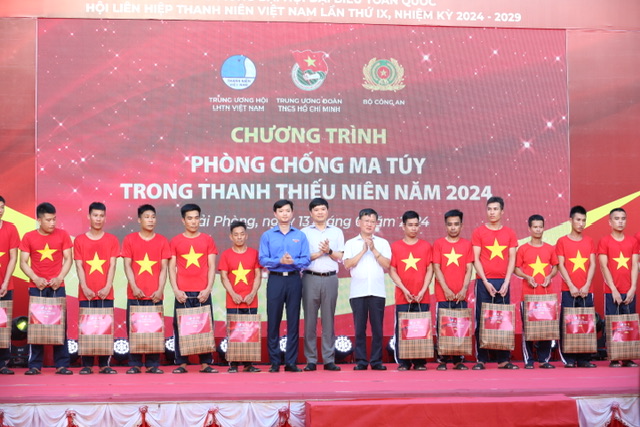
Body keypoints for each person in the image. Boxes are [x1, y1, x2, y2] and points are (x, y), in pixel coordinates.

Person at [19, 202, 73, 375]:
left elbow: (69, 259)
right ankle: (35, 365)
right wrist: (35, 278)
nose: (52, 223)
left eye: (54, 219)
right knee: (37, 325)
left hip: (58, 286)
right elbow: (22, 262)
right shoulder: (29, 237)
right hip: (37, 287)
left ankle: (62, 364)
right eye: (48, 220)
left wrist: (60, 277)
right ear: (39, 220)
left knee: (60, 325)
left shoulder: (63, 234)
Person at [259, 200, 310, 373]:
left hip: (294, 279)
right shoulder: (267, 235)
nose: (285, 214)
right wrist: (279, 261)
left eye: (287, 211)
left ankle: (291, 362)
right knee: (273, 320)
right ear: (275, 214)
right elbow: (263, 259)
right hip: (276, 279)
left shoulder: (300, 235)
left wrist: (293, 262)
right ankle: (274, 362)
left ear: (292, 213)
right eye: (281, 211)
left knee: (293, 321)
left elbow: (306, 259)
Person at [168, 203, 218, 374]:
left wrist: (208, 289)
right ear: (183, 220)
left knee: (205, 326)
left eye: (196, 218)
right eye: (190, 218)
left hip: (203, 291)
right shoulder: (176, 241)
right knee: (181, 326)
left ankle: (205, 363)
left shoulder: (207, 239)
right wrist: (176, 290)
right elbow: (171, 267)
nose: (193, 221)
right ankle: (182, 362)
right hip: (183, 292)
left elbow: (212, 266)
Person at [122, 204, 171, 374]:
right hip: (135, 293)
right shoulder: (130, 239)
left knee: (154, 329)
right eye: (147, 217)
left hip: (155, 294)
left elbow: (164, 268)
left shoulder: (162, 241)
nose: (151, 220)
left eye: (153, 217)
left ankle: (152, 364)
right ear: (139, 220)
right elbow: (127, 265)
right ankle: (134, 363)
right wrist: (134, 286)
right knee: (135, 328)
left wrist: (160, 289)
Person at [471, 196, 519, 370]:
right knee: (482, 319)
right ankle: (481, 359)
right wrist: (485, 281)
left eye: (495, 209)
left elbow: (512, 258)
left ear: (502, 211)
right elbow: (475, 258)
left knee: (503, 320)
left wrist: (507, 281)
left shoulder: (510, 233)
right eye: (489, 209)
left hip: (503, 282)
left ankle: (503, 359)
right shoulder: (478, 232)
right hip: (483, 282)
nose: (492, 212)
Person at [74, 202, 120, 374]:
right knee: (87, 328)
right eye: (95, 215)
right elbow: (79, 266)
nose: (98, 219)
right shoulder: (79, 240)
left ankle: (104, 364)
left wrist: (108, 286)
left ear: (105, 218)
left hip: (106, 292)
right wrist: (84, 287)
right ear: (89, 217)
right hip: (86, 292)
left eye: (101, 216)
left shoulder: (112, 240)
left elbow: (113, 265)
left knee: (104, 327)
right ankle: (86, 364)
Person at [344, 208, 391, 371]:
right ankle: (361, 361)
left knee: (377, 329)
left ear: (376, 224)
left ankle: (376, 361)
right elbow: (347, 264)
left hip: (377, 291)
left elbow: (387, 264)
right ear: (359, 222)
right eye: (366, 221)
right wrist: (364, 250)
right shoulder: (351, 243)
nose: (369, 224)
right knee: (360, 329)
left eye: (372, 221)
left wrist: (374, 249)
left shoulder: (383, 243)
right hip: (358, 292)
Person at [301, 198, 344, 372]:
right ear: (311, 213)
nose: (320, 212)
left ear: (327, 211)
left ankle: (328, 359)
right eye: (316, 210)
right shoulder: (304, 233)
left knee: (328, 320)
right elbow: (302, 257)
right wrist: (320, 253)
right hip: (310, 278)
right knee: (310, 321)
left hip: (330, 278)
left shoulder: (336, 232)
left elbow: (341, 256)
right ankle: (311, 359)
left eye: (323, 209)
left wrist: (329, 251)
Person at [389, 210, 432, 371]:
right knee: (403, 329)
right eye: (410, 225)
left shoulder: (426, 246)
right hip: (403, 296)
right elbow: (392, 270)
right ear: (403, 226)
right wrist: (404, 289)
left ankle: (420, 361)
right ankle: (404, 362)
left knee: (421, 328)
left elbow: (430, 269)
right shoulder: (396, 246)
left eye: (416, 225)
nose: (413, 228)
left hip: (422, 296)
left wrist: (423, 290)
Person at [514, 214, 558, 369]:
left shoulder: (550, 248)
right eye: (535, 227)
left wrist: (549, 276)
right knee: (528, 329)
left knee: (546, 328)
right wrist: (526, 277)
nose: (538, 230)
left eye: (540, 227)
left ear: (543, 228)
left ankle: (544, 359)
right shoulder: (523, 249)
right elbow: (515, 268)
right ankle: (529, 360)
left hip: (546, 295)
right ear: (529, 229)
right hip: (528, 295)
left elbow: (556, 266)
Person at [556, 205, 597, 368]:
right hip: (568, 290)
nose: (581, 223)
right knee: (568, 323)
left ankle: (584, 358)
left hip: (587, 290)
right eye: (578, 220)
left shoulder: (589, 241)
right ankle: (569, 359)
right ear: (570, 220)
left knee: (586, 323)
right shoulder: (562, 241)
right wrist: (571, 285)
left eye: (584, 220)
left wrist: (587, 285)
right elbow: (560, 265)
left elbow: (593, 264)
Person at [432, 209, 473, 371]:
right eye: (450, 224)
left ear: (461, 226)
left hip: (461, 295)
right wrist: (446, 289)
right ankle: (442, 359)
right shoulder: (438, 244)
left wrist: (464, 289)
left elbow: (469, 269)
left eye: (456, 224)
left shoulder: (467, 244)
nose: (453, 227)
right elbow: (436, 267)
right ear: (445, 226)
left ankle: (458, 360)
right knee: (443, 327)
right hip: (443, 295)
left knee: (460, 328)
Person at [219, 220, 262, 373]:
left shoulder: (254, 253)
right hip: (233, 301)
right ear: (231, 237)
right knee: (234, 332)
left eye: (242, 234)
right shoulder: (226, 254)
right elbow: (223, 277)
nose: (239, 237)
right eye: (236, 235)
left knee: (250, 332)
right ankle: (234, 364)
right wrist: (233, 294)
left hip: (251, 300)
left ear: (246, 235)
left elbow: (258, 275)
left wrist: (252, 293)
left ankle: (249, 364)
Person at [598, 208, 639, 368]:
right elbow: (603, 266)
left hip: (629, 291)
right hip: (611, 291)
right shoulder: (605, 241)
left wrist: (633, 288)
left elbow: (635, 265)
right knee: (613, 324)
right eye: (616, 218)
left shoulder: (633, 241)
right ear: (610, 222)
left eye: (623, 218)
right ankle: (614, 357)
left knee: (628, 324)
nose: (620, 221)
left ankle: (627, 358)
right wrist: (614, 289)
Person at [0, 196, 20, 375]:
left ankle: (2, 363)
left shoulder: (11, 229)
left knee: (3, 325)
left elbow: (13, 257)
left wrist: (5, 282)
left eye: (2, 207)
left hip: (5, 286)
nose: (0, 210)